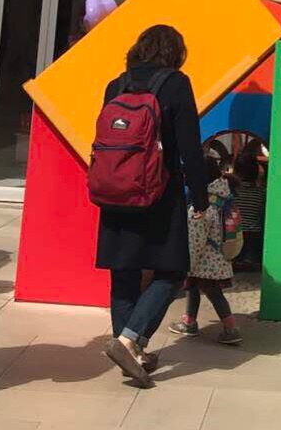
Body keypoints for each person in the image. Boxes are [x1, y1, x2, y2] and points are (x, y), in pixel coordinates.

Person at [97, 24, 209, 388]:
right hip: (159, 195)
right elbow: (190, 146)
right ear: (175, 52)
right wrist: (201, 197)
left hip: (115, 193)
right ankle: (129, 340)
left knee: (123, 272)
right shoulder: (176, 84)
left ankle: (132, 352)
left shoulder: (116, 85)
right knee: (171, 272)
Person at [169, 152, 242, 343]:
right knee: (193, 285)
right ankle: (189, 321)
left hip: (204, 259)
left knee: (213, 292)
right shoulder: (222, 195)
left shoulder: (202, 204)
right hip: (216, 255)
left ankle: (231, 329)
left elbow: (195, 238)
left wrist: (186, 261)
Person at [231, 148, 267, 270]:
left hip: (233, 234)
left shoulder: (231, 192)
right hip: (253, 236)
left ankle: (237, 261)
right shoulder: (261, 193)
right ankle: (249, 261)